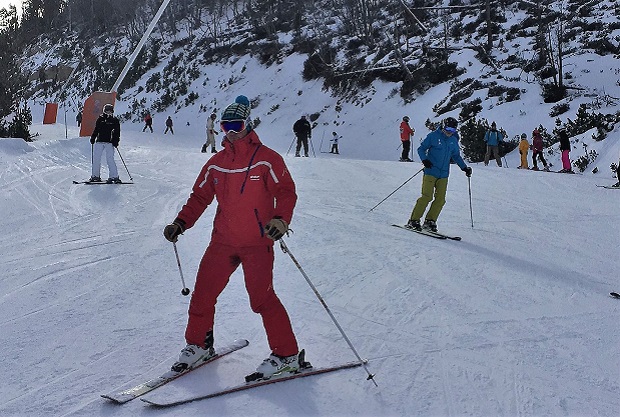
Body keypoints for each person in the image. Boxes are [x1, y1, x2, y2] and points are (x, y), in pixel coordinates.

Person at [162, 95, 304, 380]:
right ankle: (199, 345)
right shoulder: (217, 162)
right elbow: (200, 196)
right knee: (203, 293)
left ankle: (287, 355)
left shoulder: (267, 159)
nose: (231, 131)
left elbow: (286, 192)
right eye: (226, 126)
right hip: (223, 241)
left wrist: (280, 219)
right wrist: (181, 222)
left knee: (261, 299)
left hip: (257, 242)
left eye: (237, 124)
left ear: (248, 124)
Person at [406, 117, 472, 233]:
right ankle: (414, 220)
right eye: (447, 128)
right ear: (443, 126)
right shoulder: (433, 136)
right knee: (427, 196)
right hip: (431, 171)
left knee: (440, 200)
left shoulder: (453, 140)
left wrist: (464, 168)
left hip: (444, 174)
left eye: (452, 129)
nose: (449, 131)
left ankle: (430, 221)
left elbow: (456, 156)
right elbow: (421, 149)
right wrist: (424, 160)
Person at [89, 103, 121, 183]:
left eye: (110, 111)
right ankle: (95, 176)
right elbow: (96, 129)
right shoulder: (100, 119)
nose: (108, 113)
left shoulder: (114, 120)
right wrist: (93, 137)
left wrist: (116, 141)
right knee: (96, 158)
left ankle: (114, 176)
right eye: (107, 111)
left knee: (110, 159)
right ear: (104, 111)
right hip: (99, 141)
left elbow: (117, 132)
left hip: (109, 143)